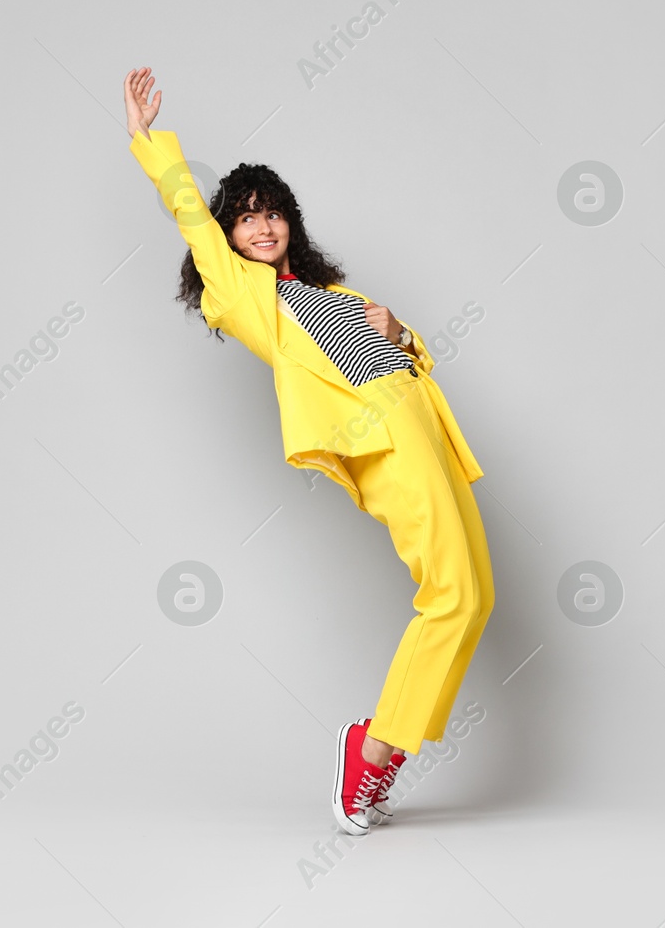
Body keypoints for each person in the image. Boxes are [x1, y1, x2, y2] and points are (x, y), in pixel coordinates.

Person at [123, 67, 495, 835]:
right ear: (229, 238)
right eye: (246, 219)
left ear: (292, 222)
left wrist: (401, 334)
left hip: (419, 420)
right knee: (450, 594)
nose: (262, 227)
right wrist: (149, 145)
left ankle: (380, 750)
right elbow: (190, 213)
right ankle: (374, 748)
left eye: (273, 215)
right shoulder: (245, 295)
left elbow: (398, 357)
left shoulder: (330, 294)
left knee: (476, 592)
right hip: (382, 439)